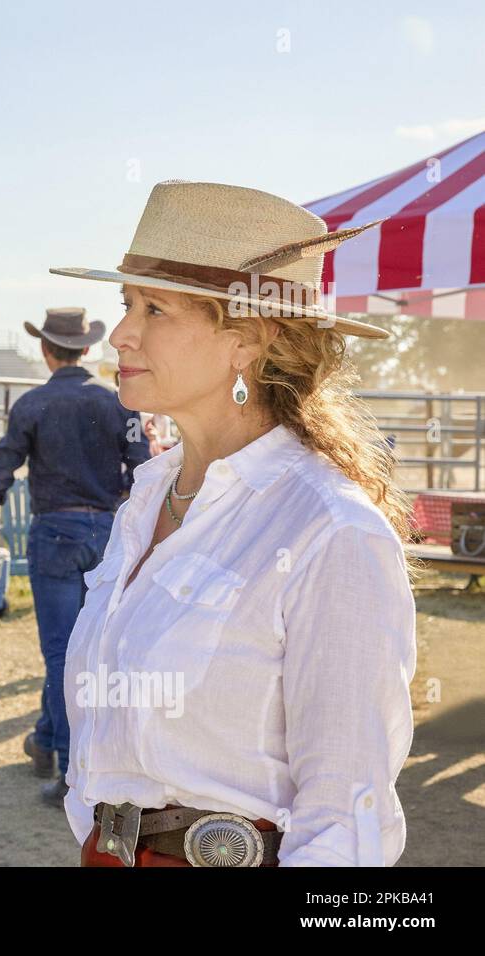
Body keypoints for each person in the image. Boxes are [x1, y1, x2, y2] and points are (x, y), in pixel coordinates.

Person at [48, 180, 417, 866]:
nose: (122, 332)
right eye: (126, 303)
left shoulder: (331, 530)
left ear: (245, 342)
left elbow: (345, 814)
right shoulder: (150, 494)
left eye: (155, 308)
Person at [0, 308, 149, 805]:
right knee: (91, 649)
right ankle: (47, 742)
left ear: (46, 350)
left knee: (63, 653)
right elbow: (144, 472)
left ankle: (72, 771)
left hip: (54, 533)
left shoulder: (32, 404)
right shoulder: (120, 403)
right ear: (87, 349)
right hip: (108, 532)